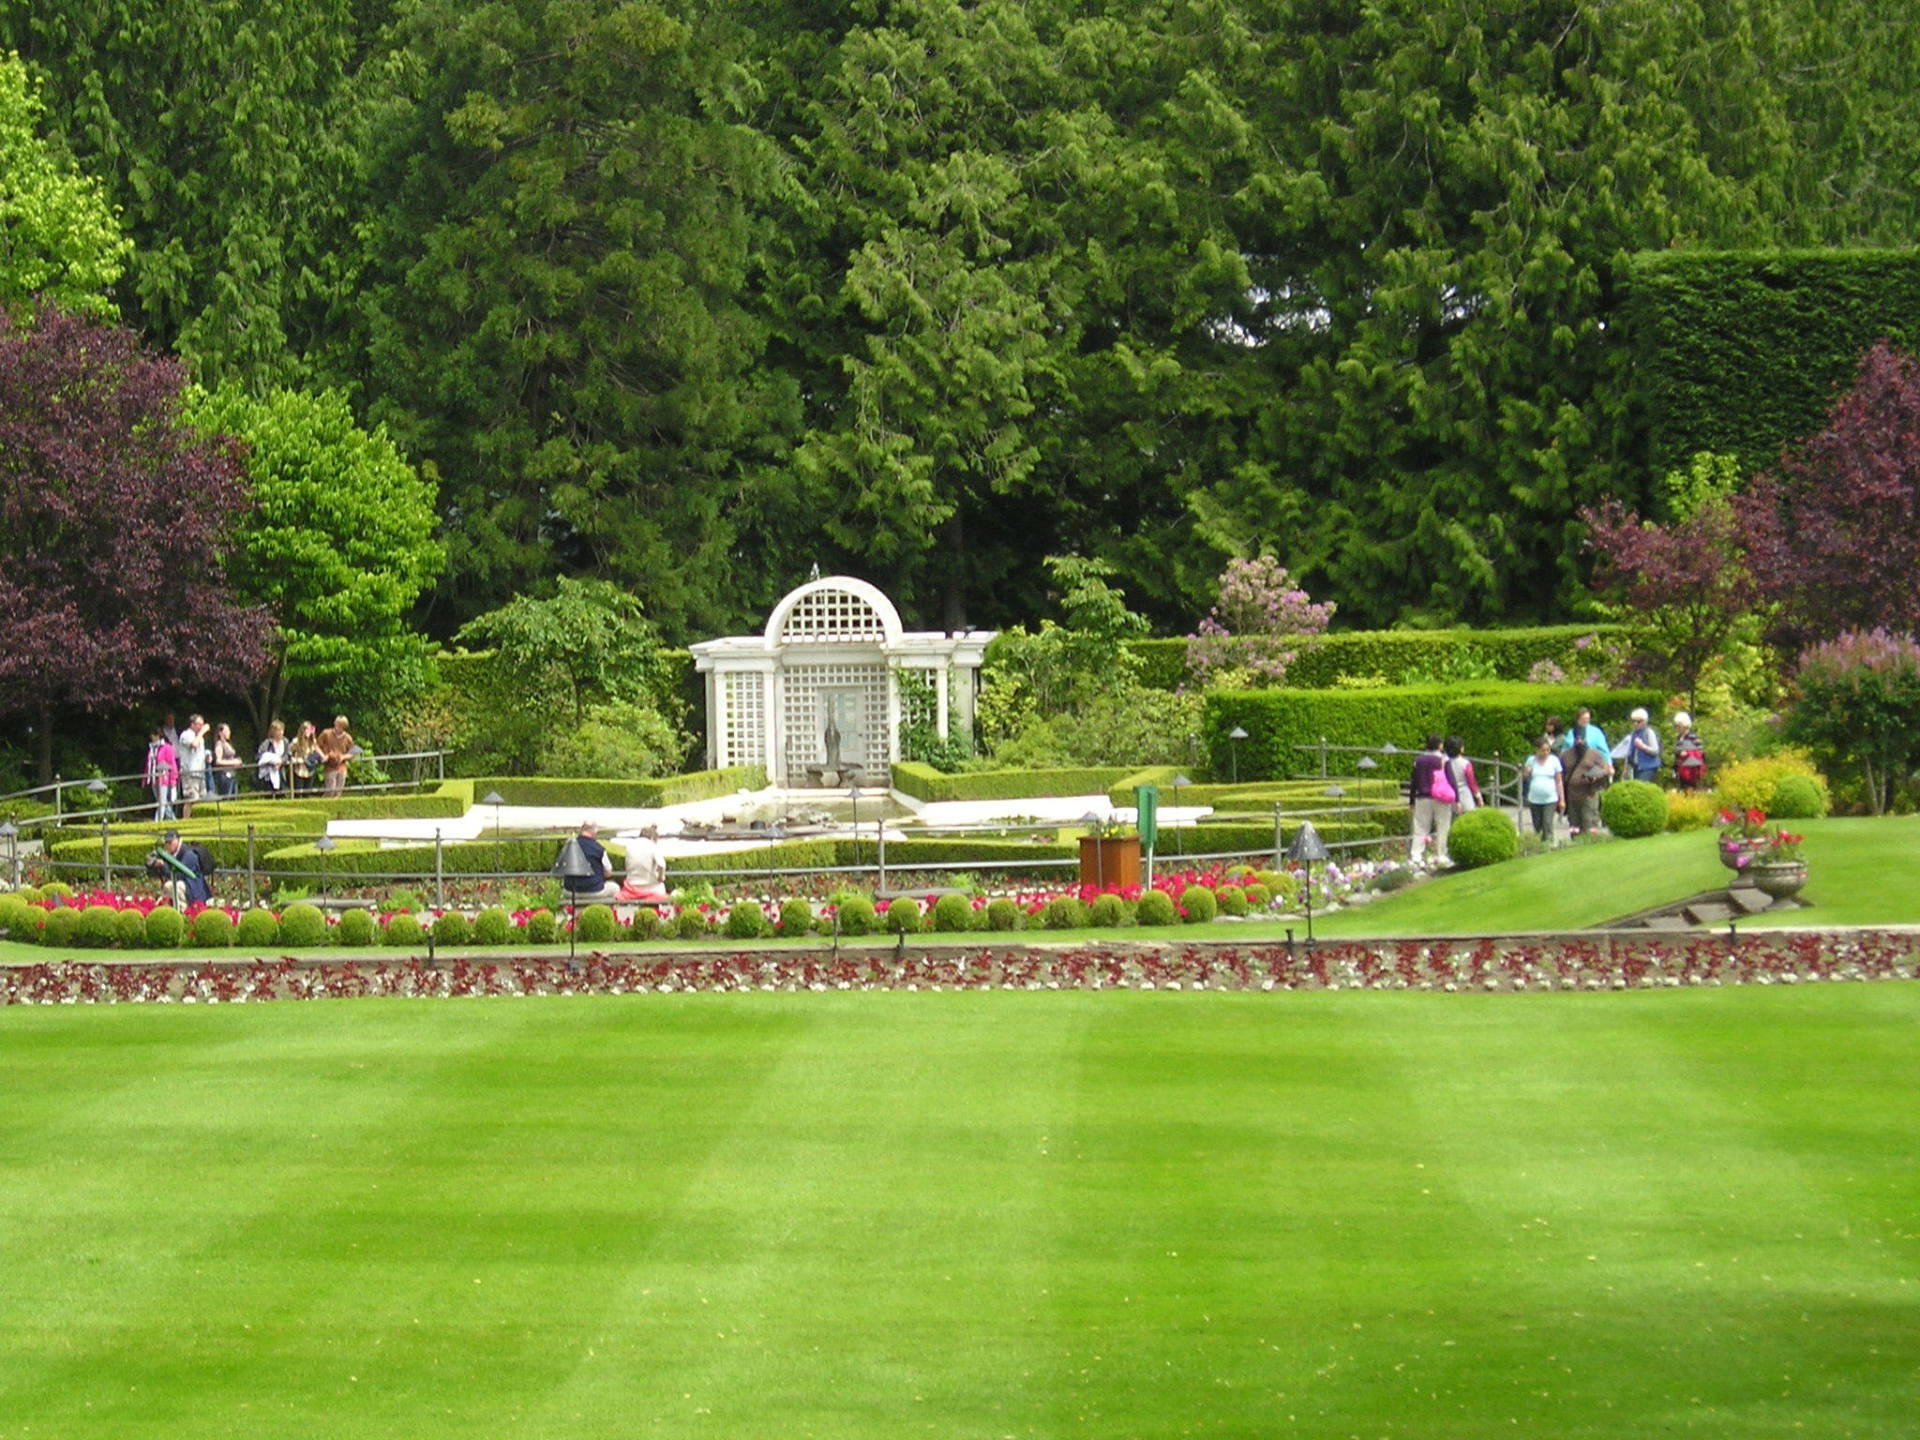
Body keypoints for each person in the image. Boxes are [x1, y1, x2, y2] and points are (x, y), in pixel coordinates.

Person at [1408, 733, 1452, 867]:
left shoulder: (1419, 760)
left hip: (1422, 797)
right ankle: (1441, 854)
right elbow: (1450, 779)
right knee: (1442, 825)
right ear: (1440, 745)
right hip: (1440, 796)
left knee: (1420, 827)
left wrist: (1411, 800)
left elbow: (1414, 781)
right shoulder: (1443, 760)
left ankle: (1416, 855)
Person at [146, 830, 211, 908]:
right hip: (186, 886)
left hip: (195, 890)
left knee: (171, 885)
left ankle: (184, 909)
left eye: (170, 842)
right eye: (166, 843)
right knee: (168, 887)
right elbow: (150, 868)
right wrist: (154, 863)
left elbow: (178, 875)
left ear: (178, 840)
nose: (167, 845)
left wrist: (163, 865)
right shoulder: (171, 853)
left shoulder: (189, 855)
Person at [1564, 739, 1614, 837]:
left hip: (1589, 794)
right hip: (1572, 795)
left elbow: (1606, 770)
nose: (1579, 741)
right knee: (1574, 825)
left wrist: (1594, 776)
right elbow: (1560, 774)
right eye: (1577, 739)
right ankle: (1575, 845)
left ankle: (1591, 843)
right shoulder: (1566, 755)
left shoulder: (1595, 754)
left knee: (1589, 822)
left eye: (1581, 739)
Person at [1521, 734, 1566, 844]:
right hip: (1534, 799)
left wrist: (1562, 799)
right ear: (1537, 750)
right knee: (1537, 825)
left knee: (1547, 823)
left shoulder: (1554, 760)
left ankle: (1549, 845)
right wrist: (1526, 771)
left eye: (1547, 750)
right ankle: (1539, 846)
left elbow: (1559, 781)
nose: (1545, 753)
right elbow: (1524, 777)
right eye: (1543, 750)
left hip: (1550, 799)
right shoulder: (1531, 760)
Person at [563, 821, 620, 903]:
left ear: (581, 830)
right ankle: (607, 912)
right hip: (594, 890)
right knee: (615, 888)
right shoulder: (599, 849)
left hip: (570, 890)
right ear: (595, 832)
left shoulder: (569, 845)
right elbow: (609, 872)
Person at [617, 825, 669, 901]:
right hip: (649, 887)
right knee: (661, 888)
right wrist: (661, 877)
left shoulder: (630, 845)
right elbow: (662, 864)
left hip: (631, 886)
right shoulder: (652, 846)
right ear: (652, 837)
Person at [144, 726, 179, 822]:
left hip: (164, 778)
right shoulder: (152, 748)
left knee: (162, 802)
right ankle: (173, 820)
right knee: (163, 802)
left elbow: (172, 763)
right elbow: (149, 764)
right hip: (153, 778)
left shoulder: (167, 747)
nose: (151, 737)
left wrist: (173, 780)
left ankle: (157, 822)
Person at [176, 714, 208, 818]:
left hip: (200, 772)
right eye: (199, 724)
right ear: (192, 724)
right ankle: (186, 820)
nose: (201, 727)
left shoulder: (200, 737)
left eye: (202, 725)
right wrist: (202, 732)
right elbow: (194, 744)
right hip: (189, 772)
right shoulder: (186, 735)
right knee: (191, 798)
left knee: (202, 798)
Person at [317, 714, 355, 799]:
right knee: (330, 790)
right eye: (336, 724)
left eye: (339, 725)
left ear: (343, 727)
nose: (336, 726)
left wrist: (343, 757)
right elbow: (316, 746)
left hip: (342, 767)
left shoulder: (348, 738)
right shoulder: (326, 733)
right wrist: (323, 755)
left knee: (338, 792)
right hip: (330, 767)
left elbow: (353, 752)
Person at [1442, 736, 1481, 813]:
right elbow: (1472, 782)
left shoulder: (1445, 763)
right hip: (1465, 796)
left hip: (1450, 796)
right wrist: (1478, 797)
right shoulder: (1466, 763)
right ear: (1460, 749)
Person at [1672, 711, 1707, 791]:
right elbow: (1677, 752)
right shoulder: (1678, 738)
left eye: (1678, 726)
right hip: (1680, 768)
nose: (1677, 728)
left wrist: (1688, 753)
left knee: (1690, 789)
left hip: (1691, 770)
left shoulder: (1693, 737)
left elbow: (1700, 752)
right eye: (1676, 726)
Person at [1626, 707, 1662, 784]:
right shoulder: (1633, 734)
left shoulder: (1649, 732)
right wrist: (1626, 768)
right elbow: (1629, 752)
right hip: (1637, 766)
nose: (1635, 724)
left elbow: (1655, 751)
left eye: (1638, 721)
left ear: (1645, 721)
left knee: (1642, 785)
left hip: (1648, 766)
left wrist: (1643, 747)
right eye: (1633, 721)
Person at [210, 722, 243, 799]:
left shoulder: (227, 743)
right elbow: (218, 761)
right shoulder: (219, 744)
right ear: (221, 733)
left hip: (232, 773)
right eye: (227, 731)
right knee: (226, 796)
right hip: (225, 774)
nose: (229, 733)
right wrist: (233, 762)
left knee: (234, 796)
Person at [256, 720, 288, 795]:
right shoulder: (267, 743)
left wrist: (281, 762)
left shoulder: (285, 741)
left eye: (282, 730)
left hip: (281, 771)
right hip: (269, 773)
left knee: (281, 794)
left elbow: (287, 755)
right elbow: (259, 755)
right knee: (269, 794)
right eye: (279, 730)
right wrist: (271, 763)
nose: (281, 733)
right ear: (274, 732)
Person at [288, 720, 320, 795]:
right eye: (307, 729)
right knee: (298, 792)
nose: (308, 732)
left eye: (310, 729)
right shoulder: (296, 741)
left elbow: (316, 753)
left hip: (310, 770)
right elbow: (289, 753)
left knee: (307, 792)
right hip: (299, 770)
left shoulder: (313, 741)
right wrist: (295, 760)